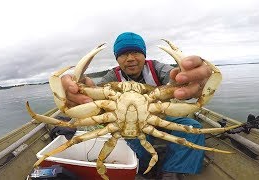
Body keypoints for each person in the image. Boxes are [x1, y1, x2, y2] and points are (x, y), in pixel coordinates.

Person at [61, 32, 212, 180]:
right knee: (130, 137)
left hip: (162, 117)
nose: (130, 58)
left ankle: (172, 171)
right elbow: (95, 93)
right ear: (117, 59)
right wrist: (80, 90)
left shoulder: (157, 68)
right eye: (123, 54)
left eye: (135, 52)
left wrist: (193, 80)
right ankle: (144, 169)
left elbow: (179, 81)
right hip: (132, 124)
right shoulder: (112, 77)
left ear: (144, 55)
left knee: (193, 128)